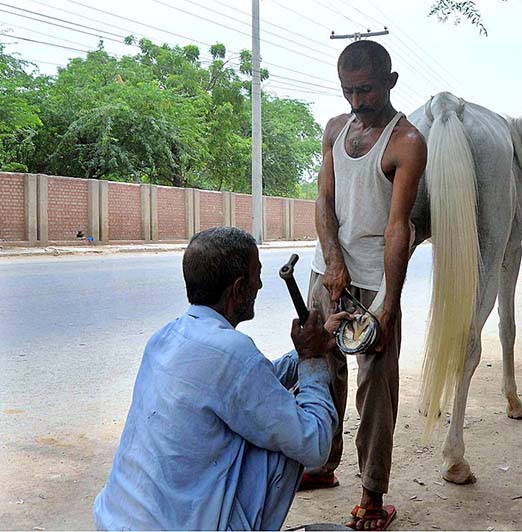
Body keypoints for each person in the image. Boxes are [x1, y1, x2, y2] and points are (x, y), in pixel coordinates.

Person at [93, 226, 347, 531]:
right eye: (257, 275)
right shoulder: (233, 353)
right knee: (287, 438)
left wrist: (302, 352)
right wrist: (312, 360)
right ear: (239, 289)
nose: (261, 285)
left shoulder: (167, 336)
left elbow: (247, 387)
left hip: (117, 521)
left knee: (269, 418)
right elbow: (315, 444)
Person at [306, 40, 427, 530]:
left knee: (376, 386)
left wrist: (388, 303)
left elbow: (400, 227)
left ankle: (372, 493)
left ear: (391, 81)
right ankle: (320, 463)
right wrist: (333, 260)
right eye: (348, 91)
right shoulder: (335, 129)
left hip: (376, 282)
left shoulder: (407, 142)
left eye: (367, 89)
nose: (357, 101)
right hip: (326, 272)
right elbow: (323, 200)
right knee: (319, 365)